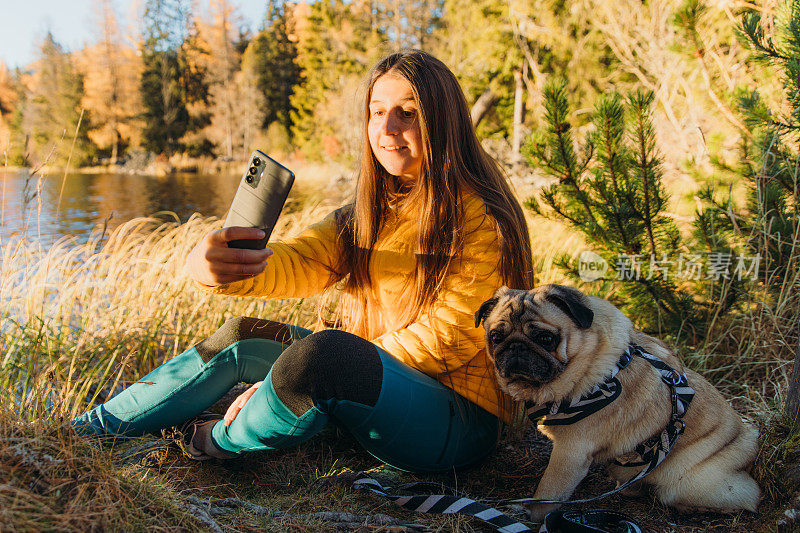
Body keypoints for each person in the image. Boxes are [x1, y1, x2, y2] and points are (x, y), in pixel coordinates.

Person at [72, 50, 534, 472]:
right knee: (240, 337)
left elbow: (451, 335)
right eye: (377, 112)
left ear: (445, 120)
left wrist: (289, 377)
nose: (387, 128)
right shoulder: (372, 210)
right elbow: (299, 261)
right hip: (373, 381)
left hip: (457, 420)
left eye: (407, 113)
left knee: (324, 355)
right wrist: (216, 266)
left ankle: (211, 442)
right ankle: (86, 432)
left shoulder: (482, 216)